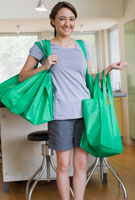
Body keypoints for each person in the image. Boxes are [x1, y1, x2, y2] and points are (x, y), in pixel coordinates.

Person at [19, 1, 127, 200]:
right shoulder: (42, 47)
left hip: (85, 113)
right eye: (62, 19)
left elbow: (89, 78)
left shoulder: (82, 46)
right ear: (53, 21)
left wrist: (110, 68)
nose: (67, 23)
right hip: (60, 114)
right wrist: (44, 67)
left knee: (80, 165)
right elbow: (22, 76)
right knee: (64, 165)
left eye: (71, 19)